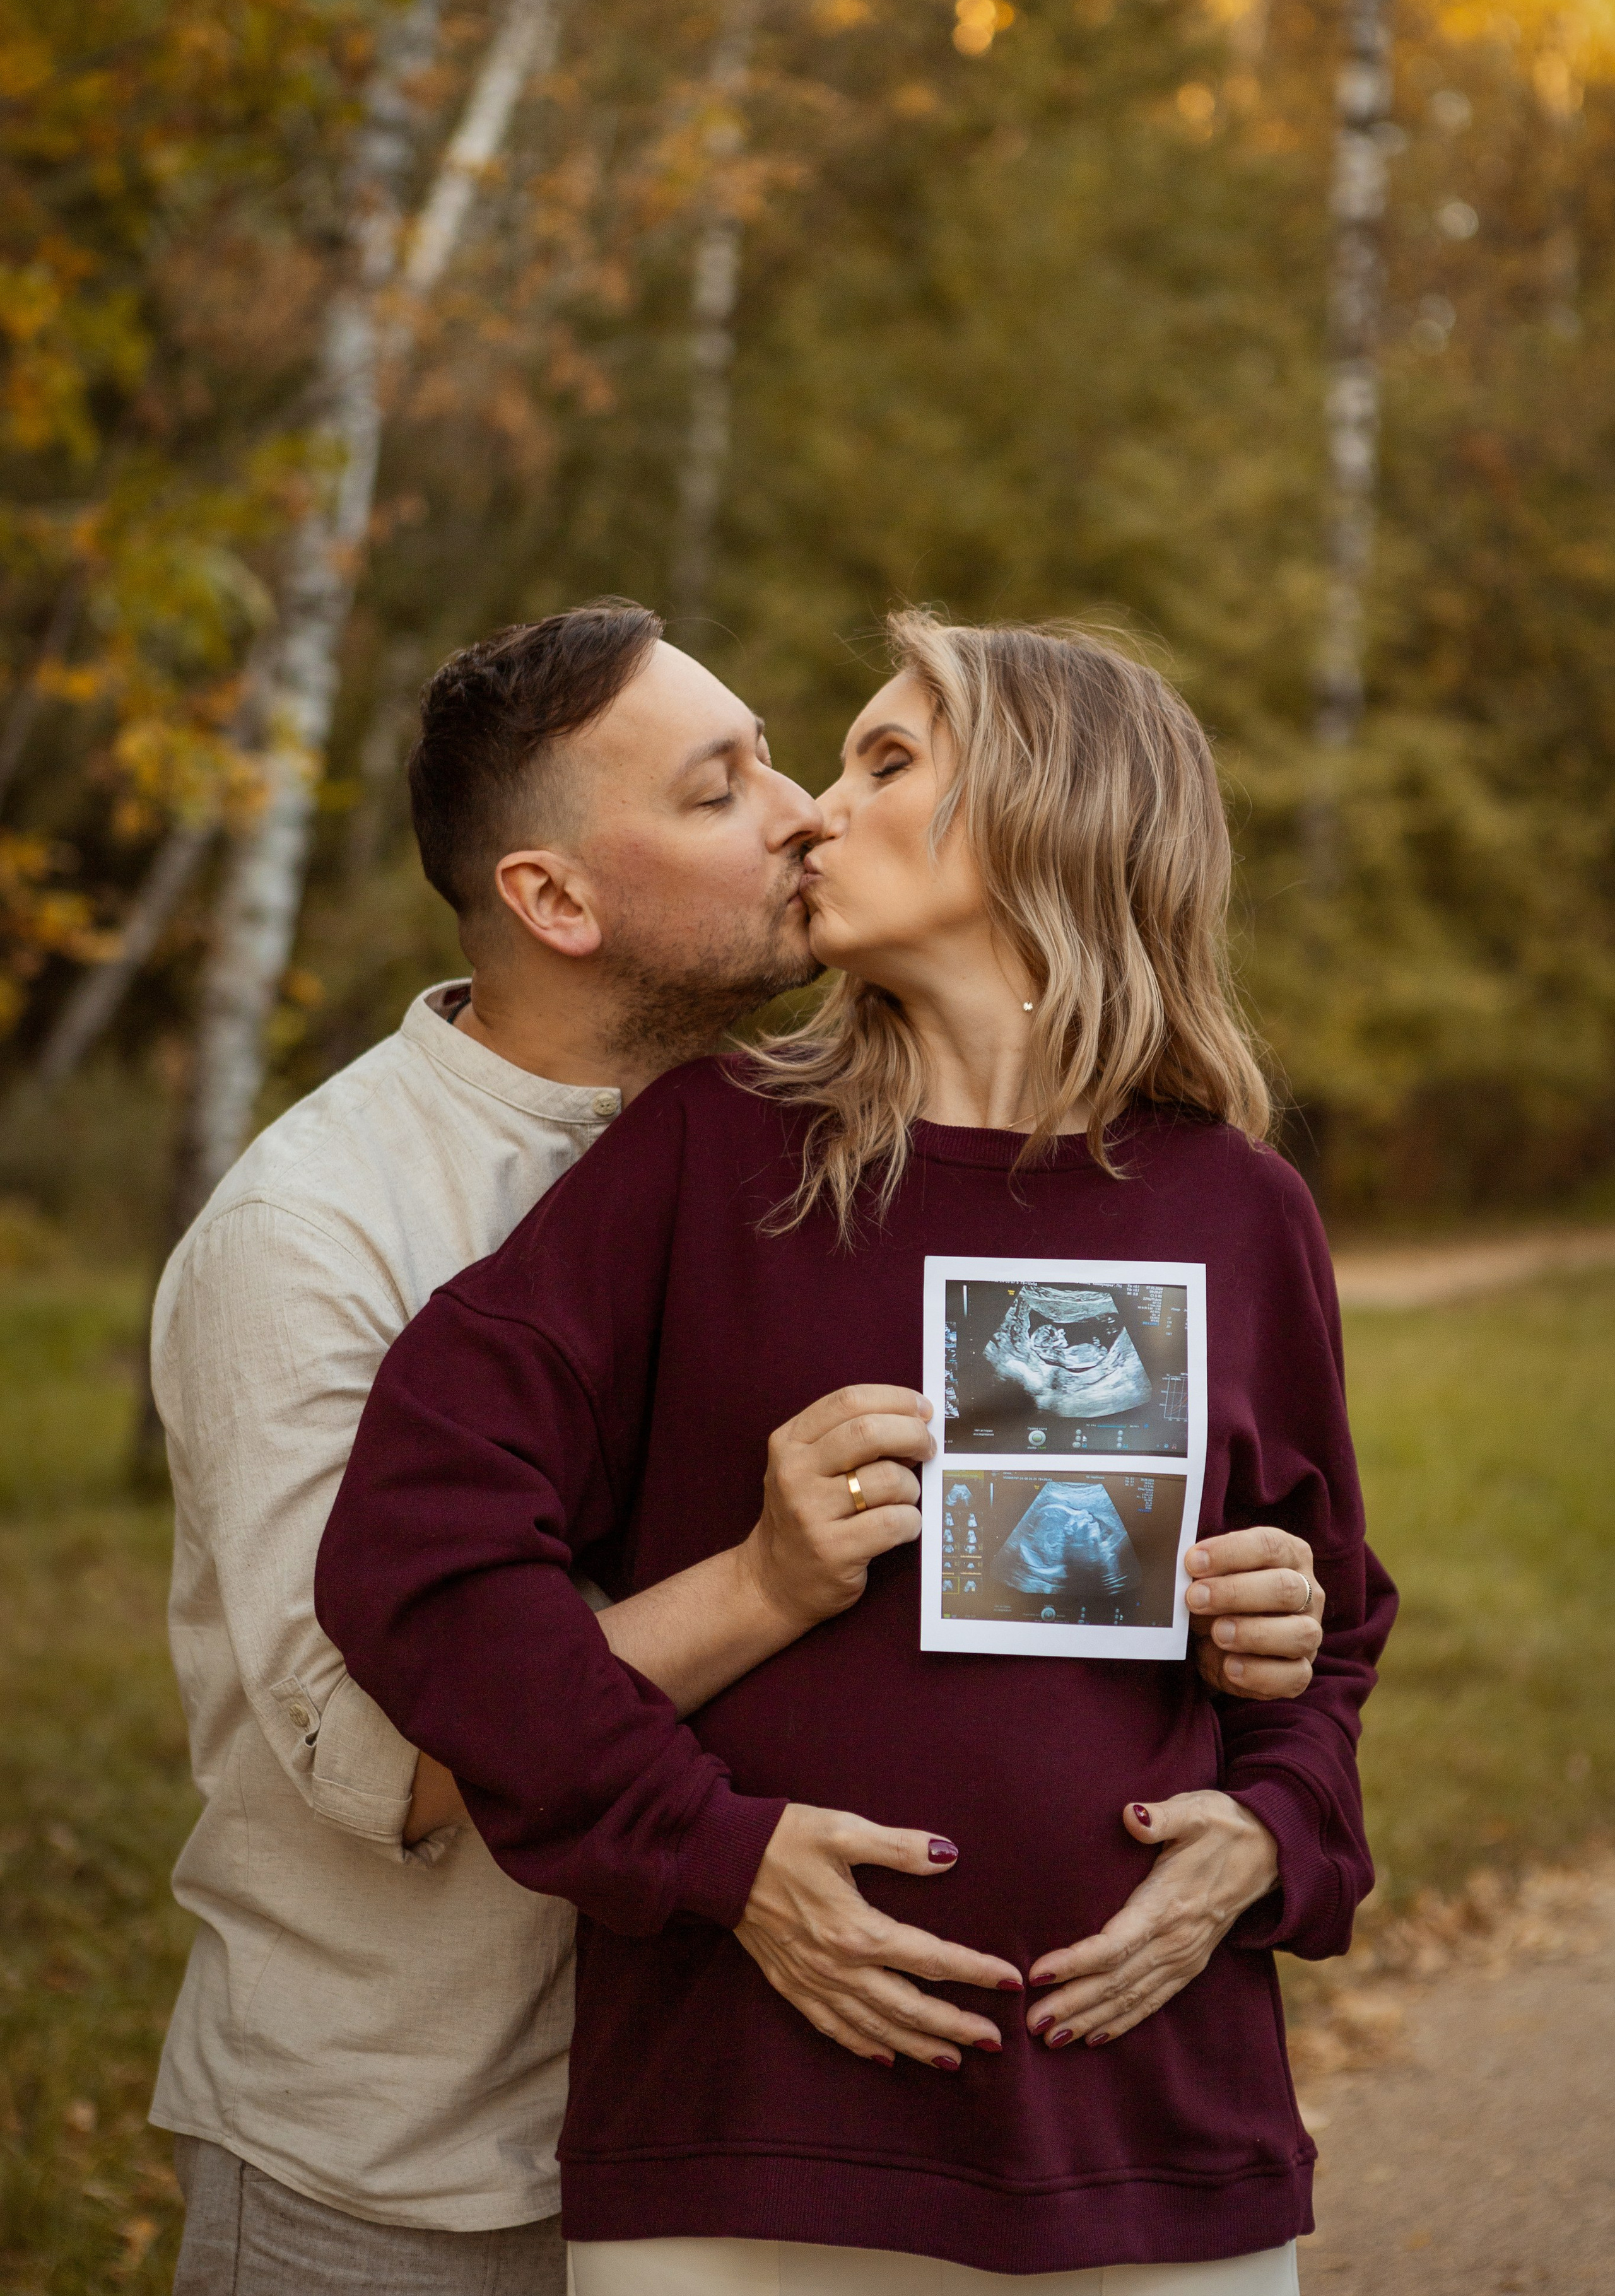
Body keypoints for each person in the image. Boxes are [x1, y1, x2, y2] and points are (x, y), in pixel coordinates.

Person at [150, 604, 1321, 2296]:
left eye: (833, 758)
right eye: (729, 787)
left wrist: (1266, 1731)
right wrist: (758, 1637)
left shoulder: (833, 1147)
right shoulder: (331, 1227)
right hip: (416, 2152)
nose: (802, 813)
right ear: (554, 898)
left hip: (883, 2104)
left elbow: (1297, 1595)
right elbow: (374, 1742)